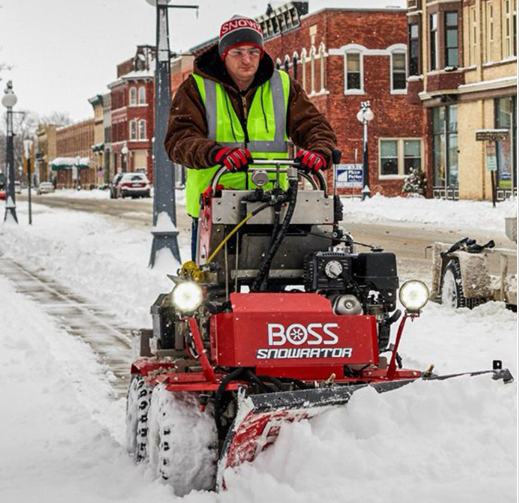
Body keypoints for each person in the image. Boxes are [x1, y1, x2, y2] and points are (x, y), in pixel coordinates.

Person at [165, 15, 337, 259]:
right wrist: (217, 154)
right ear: (224, 55)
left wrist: (320, 151)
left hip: (273, 205)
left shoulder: (283, 85)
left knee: (279, 280)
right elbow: (179, 140)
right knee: (213, 286)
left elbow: (313, 124)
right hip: (216, 205)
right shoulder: (196, 88)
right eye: (237, 52)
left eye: (252, 52)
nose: (246, 59)